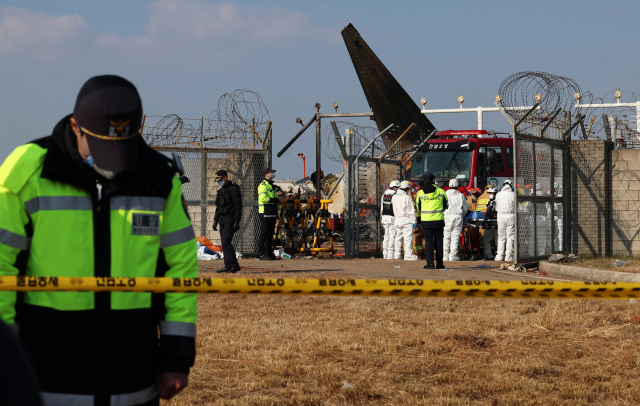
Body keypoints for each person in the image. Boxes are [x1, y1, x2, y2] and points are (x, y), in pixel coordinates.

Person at [0, 75, 198, 405]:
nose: (115, 163)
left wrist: (176, 359)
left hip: (132, 379)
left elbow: (180, 272)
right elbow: (2, 269)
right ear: (76, 127)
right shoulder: (27, 172)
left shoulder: (159, 178)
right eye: (104, 148)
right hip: (47, 375)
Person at [212, 170, 242, 273]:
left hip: (230, 219)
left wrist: (237, 221)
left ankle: (233, 265)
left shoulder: (234, 189)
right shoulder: (221, 191)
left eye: (220, 179)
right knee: (225, 244)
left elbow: (238, 206)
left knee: (226, 242)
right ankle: (229, 265)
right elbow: (219, 208)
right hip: (222, 220)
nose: (219, 182)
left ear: (225, 178)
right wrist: (215, 220)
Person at [416, 173, 448, 269]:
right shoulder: (441, 191)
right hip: (438, 220)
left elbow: (418, 207)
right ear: (433, 180)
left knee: (428, 243)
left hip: (426, 221)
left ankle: (430, 263)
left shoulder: (420, 193)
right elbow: (446, 205)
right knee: (439, 242)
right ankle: (439, 264)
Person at [392, 181, 419, 261]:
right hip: (406, 220)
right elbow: (411, 211)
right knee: (407, 238)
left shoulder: (394, 197)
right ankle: (408, 255)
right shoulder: (407, 198)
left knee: (398, 238)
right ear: (407, 188)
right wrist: (414, 221)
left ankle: (397, 254)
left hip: (397, 220)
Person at [443, 179, 468, 261]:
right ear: (457, 186)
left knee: (446, 236)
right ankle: (453, 255)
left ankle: (445, 255)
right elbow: (465, 208)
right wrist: (461, 215)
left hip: (447, 216)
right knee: (455, 236)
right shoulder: (461, 195)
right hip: (458, 217)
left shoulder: (445, 194)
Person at [257, 168, 280, 260]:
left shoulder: (272, 186)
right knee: (264, 233)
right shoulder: (263, 186)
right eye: (271, 173)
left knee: (270, 234)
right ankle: (262, 253)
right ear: (266, 174)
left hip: (272, 211)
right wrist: (274, 200)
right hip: (265, 212)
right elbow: (263, 199)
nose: (272, 174)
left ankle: (269, 253)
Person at [495, 181, 516, 261]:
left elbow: (496, 206)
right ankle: (508, 256)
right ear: (511, 186)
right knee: (510, 236)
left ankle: (499, 255)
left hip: (500, 215)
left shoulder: (498, 194)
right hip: (511, 215)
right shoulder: (513, 194)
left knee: (501, 236)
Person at [381, 180, 400, 259]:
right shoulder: (395, 195)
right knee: (392, 236)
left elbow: (382, 207)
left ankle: (385, 254)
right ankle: (390, 255)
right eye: (398, 187)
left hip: (385, 217)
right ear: (394, 187)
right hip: (392, 218)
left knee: (386, 236)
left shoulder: (384, 195)